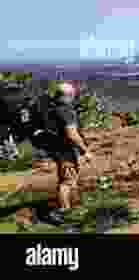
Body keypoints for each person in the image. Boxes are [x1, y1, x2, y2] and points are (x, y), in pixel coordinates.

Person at [33, 81, 94, 221]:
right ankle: (65, 211)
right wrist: (85, 150)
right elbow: (72, 134)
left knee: (66, 179)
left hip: (57, 149)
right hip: (65, 151)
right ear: (68, 96)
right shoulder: (65, 111)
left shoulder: (53, 107)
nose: (73, 98)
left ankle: (69, 206)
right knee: (67, 181)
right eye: (72, 95)